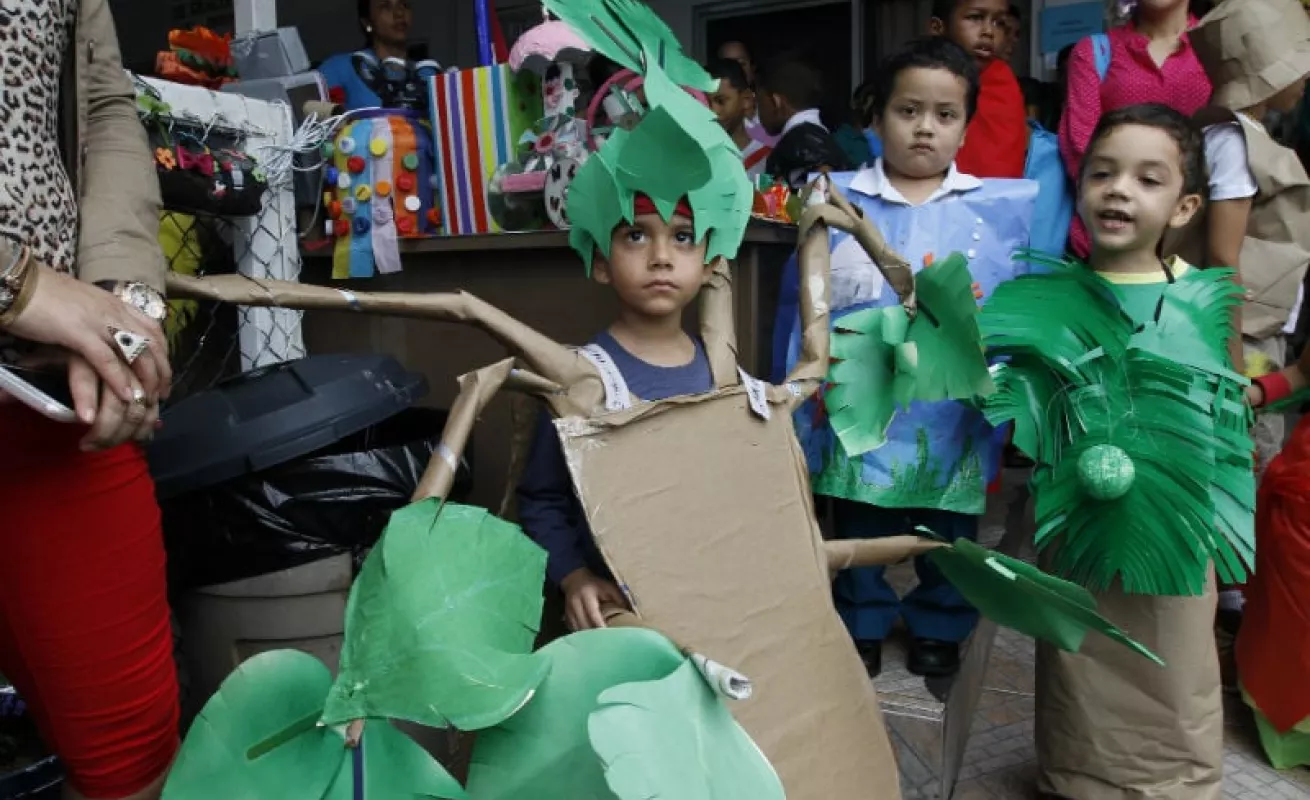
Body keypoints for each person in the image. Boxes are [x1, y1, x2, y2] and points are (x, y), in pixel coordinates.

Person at [786, 37, 1036, 678]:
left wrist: (1006, 397)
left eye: (945, 114)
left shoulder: (996, 211)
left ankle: (939, 624)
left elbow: (1009, 317)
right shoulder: (837, 200)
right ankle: (860, 620)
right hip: (857, 397)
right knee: (859, 516)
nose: (926, 127)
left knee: (948, 529)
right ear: (874, 117)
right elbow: (805, 303)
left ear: (965, 125)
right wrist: (794, 389)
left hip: (953, 408)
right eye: (908, 110)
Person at [0, 0, 179, 798]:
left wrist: (125, 301)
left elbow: (103, 100)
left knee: (133, 757)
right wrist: (15, 283)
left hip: (51, 396)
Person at [1032, 103, 1223, 799]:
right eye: (1102, 174)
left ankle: (1177, 783)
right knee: (1079, 655)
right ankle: (1079, 778)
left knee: (1172, 655)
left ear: (1184, 205)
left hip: (1171, 523)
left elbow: (1218, 418)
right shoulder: (1053, 295)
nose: (1118, 191)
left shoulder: (1198, 299)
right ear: (1078, 189)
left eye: (1149, 180)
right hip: (1077, 516)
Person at [1173, 0, 1310, 466]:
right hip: (1240, 338)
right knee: (1245, 465)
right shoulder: (1233, 142)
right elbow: (1222, 257)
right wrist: (1233, 381)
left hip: (1258, 330)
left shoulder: (1245, 135)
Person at [1059, 0, 1211, 257]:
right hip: (1107, 237)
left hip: (1193, 240)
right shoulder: (1096, 52)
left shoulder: (1217, 52)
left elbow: (1228, 146)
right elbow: (1080, 149)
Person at [928, 0, 1028, 179]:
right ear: (937, 28)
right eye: (975, 18)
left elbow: (999, 172)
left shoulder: (1001, 82)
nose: (989, 32)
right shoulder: (916, 76)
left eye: (999, 23)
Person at [755, 56, 852, 190]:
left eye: (759, 104)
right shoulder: (823, 138)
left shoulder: (798, 142)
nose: (758, 112)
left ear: (776, 102)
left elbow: (825, 183)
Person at [318, 0, 414, 111]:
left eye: (404, 5)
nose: (399, 13)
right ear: (367, 22)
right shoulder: (339, 69)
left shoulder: (427, 73)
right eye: (385, 6)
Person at [707, 58, 772, 178]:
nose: (712, 111)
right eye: (706, 102)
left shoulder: (768, 161)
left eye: (721, 101)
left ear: (746, 99)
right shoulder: (696, 159)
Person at [832, 81, 883, 169]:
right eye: (863, 104)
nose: (866, 111)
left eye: (874, 108)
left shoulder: (887, 138)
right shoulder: (840, 139)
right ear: (854, 104)